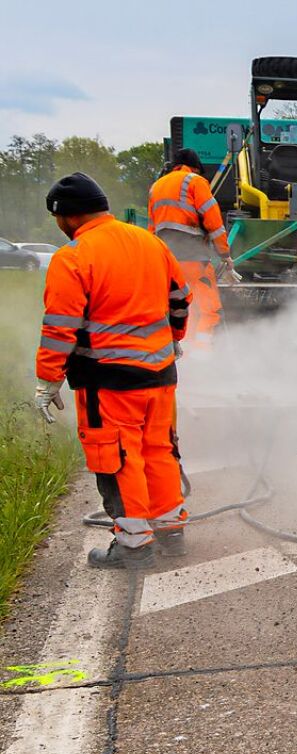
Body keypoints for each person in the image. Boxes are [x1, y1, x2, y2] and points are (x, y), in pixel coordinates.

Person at [36, 172, 192, 569]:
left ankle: (134, 545)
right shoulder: (150, 242)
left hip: (107, 381)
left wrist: (48, 379)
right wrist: (175, 336)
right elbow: (181, 296)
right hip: (160, 374)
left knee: (118, 458)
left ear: (67, 216)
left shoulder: (73, 256)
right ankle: (171, 531)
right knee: (160, 450)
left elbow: (59, 328)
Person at [148, 148, 231, 349]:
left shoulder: (156, 187)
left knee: (183, 308)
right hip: (193, 257)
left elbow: (151, 229)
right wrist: (225, 255)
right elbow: (214, 222)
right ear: (194, 167)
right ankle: (201, 357)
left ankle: (185, 353)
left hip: (166, 260)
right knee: (209, 310)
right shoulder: (194, 181)